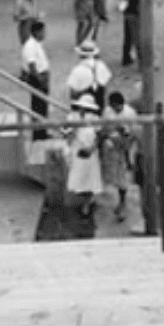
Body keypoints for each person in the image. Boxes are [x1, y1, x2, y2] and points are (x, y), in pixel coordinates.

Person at [64, 95, 104, 235]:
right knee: (78, 177)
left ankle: (87, 203)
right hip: (77, 149)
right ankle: (83, 200)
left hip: (90, 151)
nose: (85, 110)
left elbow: (99, 135)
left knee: (91, 178)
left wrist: (92, 148)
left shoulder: (95, 119)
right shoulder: (72, 117)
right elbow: (67, 134)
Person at [100, 92, 137, 222]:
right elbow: (104, 129)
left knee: (122, 178)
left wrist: (127, 146)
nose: (113, 108)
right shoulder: (107, 112)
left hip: (123, 148)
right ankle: (118, 201)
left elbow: (133, 133)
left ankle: (122, 204)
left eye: (115, 106)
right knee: (111, 176)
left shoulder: (130, 113)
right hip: (110, 147)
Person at [20, 20, 51, 137]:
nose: (44, 34)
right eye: (42, 32)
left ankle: (42, 132)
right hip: (38, 79)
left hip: (42, 77)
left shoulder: (37, 44)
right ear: (36, 32)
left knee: (43, 107)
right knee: (38, 107)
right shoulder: (30, 46)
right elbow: (31, 65)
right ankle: (38, 134)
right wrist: (40, 79)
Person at [66, 40, 112, 112]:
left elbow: (73, 93)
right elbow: (106, 84)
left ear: (81, 55)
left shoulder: (77, 70)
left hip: (83, 107)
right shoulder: (101, 65)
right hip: (99, 103)